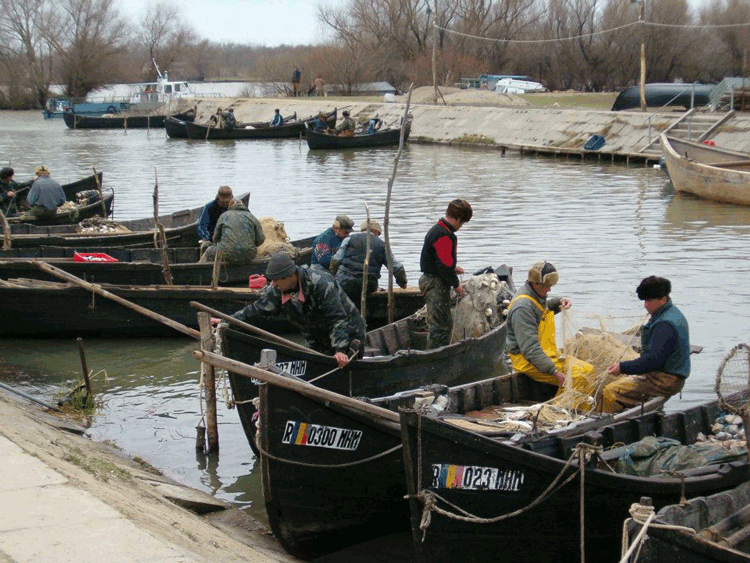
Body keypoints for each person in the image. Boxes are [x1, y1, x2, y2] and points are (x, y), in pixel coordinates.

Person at [231, 253, 366, 368]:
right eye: (273, 280)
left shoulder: (321, 284)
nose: (274, 284)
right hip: (315, 335)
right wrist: (228, 320)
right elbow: (256, 310)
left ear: (291, 276)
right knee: (313, 365)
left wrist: (340, 349)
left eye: (277, 280)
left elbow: (337, 318)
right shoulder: (277, 290)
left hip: (349, 333)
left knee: (342, 365)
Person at [505, 261, 596, 406]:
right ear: (535, 283)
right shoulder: (523, 308)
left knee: (589, 369)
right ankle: (558, 412)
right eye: (546, 286)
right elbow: (530, 349)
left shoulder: (535, 296)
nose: (549, 290)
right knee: (580, 375)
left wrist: (559, 302)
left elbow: (543, 307)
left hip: (545, 354)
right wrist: (553, 371)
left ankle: (570, 407)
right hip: (527, 360)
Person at [603, 276, 690, 412]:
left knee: (610, 391)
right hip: (668, 374)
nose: (645, 305)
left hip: (665, 380)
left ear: (663, 298)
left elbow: (652, 362)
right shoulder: (672, 313)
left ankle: (606, 425)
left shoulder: (664, 325)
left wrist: (622, 367)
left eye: (649, 300)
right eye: (644, 300)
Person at [419, 199, 472, 349]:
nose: (461, 227)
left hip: (432, 278)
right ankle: (434, 357)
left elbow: (438, 261)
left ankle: (434, 353)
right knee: (441, 326)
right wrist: (456, 285)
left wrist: (452, 268)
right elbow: (443, 267)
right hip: (434, 283)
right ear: (456, 219)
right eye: (461, 223)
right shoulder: (443, 234)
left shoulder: (439, 229)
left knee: (440, 323)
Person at [330, 219, 408, 305]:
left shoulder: (348, 239)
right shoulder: (382, 245)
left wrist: (333, 276)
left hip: (345, 282)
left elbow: (336, 260)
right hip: (369, 285)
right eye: (378, 233)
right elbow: (396, 267)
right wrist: (402, 284)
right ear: (375, 231)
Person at [200, 199, 265, 264]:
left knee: (208, 251)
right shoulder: (251, 216)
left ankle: (202, 268)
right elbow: (261, 239)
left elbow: (215, 239)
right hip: (249, 254)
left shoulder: (224, 216)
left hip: (227, 254)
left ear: (229, 207)